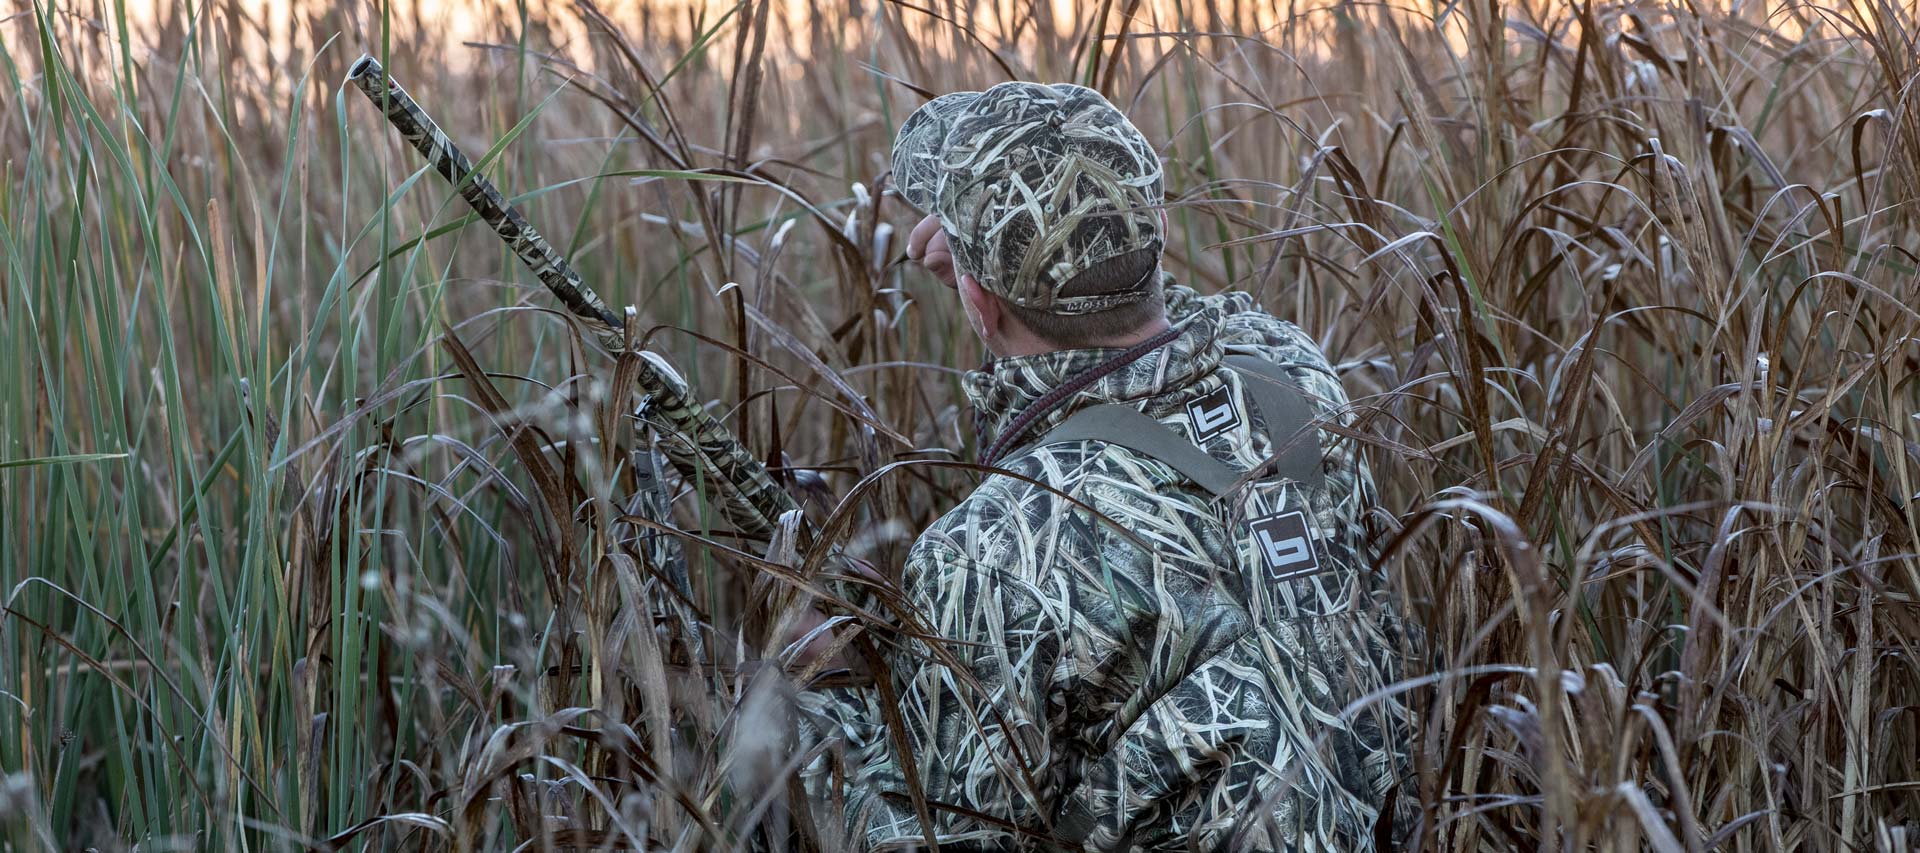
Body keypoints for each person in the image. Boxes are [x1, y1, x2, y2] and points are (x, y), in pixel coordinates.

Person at [800, 81, 1410, 851]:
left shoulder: (994, 546)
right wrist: (1001, 271)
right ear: (1156, 225)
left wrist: (818, 694)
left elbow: (939, 835)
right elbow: (1168, 321)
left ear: (978, 304)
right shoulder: (1292, 371)